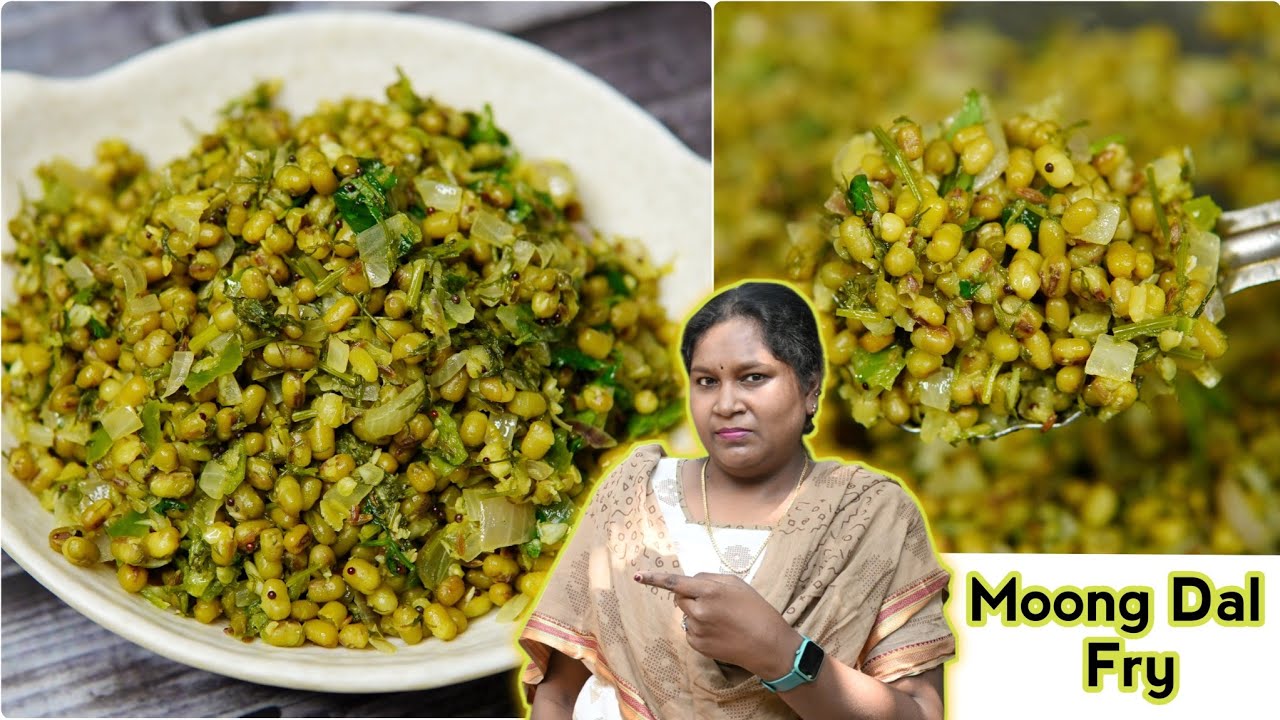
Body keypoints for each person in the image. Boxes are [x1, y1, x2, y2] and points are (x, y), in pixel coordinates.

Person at [519, 281, 955, 719]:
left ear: (810, 389)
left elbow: (920, 713)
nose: (726, 404)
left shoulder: (872, 513)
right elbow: (558, 696)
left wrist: (779, 652)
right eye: (707, 381)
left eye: (753, 377)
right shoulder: (633, 493)